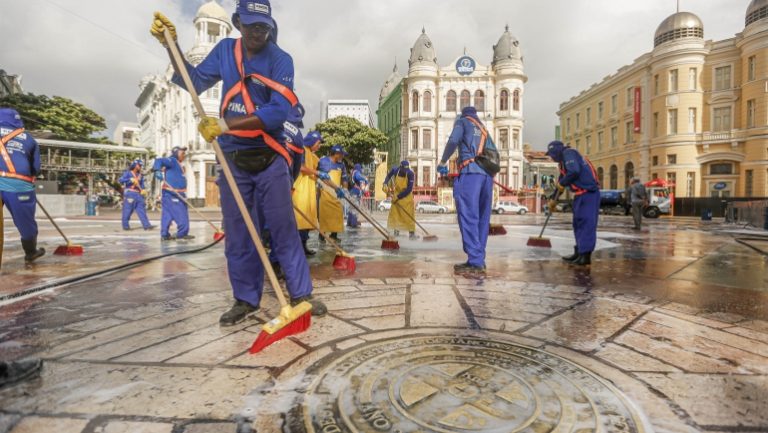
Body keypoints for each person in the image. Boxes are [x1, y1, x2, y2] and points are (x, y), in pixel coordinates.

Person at [150, 0, 326, 326]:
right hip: (233, 158)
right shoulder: (225, 51)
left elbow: (277, 113)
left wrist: (226, 125)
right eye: (250, 25)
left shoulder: (281, 59)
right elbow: (194, 81)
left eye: (263, 26)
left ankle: (301, 294)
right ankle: (245, 299)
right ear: (237, 23)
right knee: (239, 232)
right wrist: (170, 46)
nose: (257, 32)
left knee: (283, 228)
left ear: (271, 26)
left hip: (269, 155)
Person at [437, 107, 493, 273]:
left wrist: (443, 161)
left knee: (468, 216)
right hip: (487, 177)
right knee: (482, 219)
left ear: (463, 114)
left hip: (470, 174)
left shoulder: (462, 122)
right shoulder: (483, 128)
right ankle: (479, 258)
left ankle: (475, 261)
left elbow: (453, 141)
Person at [0, 108, 45, 263]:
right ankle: (31, 252)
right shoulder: (28, 139)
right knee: (26, 222)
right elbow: (36, 168)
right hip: (18, 184)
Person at [545, 140, 600, 266]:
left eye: (552, 154)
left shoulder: (569, 153)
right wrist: (554, 199)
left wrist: (562, 183)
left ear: (558, 151)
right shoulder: (563, 163)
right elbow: (561, 182)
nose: (552, 157)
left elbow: (574, 172)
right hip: (580, 195)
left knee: (586, 224)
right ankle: (579, 252)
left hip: (589, 193)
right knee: (578, 224)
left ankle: (585, 256)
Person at [152, 147, 193, 241]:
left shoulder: (178, 164)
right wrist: (157, 170)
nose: (184, 154)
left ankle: (164, 234)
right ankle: (182, 233)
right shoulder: (172, 161)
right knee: (181, 213)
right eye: (182, 152)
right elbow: (159, 160)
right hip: (173, 193)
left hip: (170, 194)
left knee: (167, 215)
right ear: (176, 153)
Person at [293, 131, 323, 255]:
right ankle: (298, 247)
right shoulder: (303, 150)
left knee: (308, 219)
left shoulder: (312, 155)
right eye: (318, 143)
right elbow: (301, 167)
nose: (319, 146)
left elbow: (315, 169)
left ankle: (304, 245)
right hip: (300, 189)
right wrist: (317, 173)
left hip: (309, 190)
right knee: (300, 219)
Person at [317, 145, 348, 241]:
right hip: (325, 192)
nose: (342, 156)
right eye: (341, 154)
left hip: (337, 193)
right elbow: (321, 177)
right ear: (336, 154)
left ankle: (334, 235)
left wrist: (345, 190)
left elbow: (344, 179)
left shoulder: (341, 165)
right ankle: (322, 235)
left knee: (338, 213)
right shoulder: (323, 162)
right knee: (324, 215)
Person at [384, 160, 417, 239]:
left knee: (409, 217)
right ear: (400, 167)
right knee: (396, 216)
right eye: (404, 170)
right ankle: (396, 234)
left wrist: (398, 197)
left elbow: (409, 189)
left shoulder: (410, 173)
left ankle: (412, 234)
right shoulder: (395, 170)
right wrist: (385, 183)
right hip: (396, 197)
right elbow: (389, 175)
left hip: (406, 197)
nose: (405, 171)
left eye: (406, 170)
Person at [119, 159, 155, 231]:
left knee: (142, 210)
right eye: (139, 165)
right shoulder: (128, 173)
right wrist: (129, 180)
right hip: (130, 193)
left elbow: (141, 185)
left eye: (141, 165)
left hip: (138, 194)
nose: (140, 167)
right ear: (135, 165)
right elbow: (121, 180)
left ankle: (146, 225)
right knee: (127, 210)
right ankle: (125, 226)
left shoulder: (140, 175)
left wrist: (143, 190)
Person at [347, 163, 368, 228]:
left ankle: (350, 222)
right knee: (355, 208)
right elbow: (358, 177)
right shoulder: (356, 172)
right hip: (355, 192)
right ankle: (353, 223)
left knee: (351, 208)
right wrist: (365, 180)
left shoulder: (353, 172)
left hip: (352, 192)